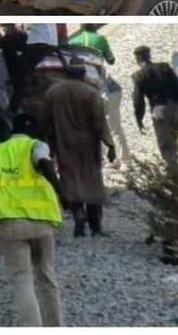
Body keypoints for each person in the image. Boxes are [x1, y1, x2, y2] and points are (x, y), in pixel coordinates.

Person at [0, 114, 63, 327]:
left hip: (10, 224)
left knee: (22, 280)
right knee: (47, 276)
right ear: (33, 131)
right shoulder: (37, 145)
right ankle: (55, 326)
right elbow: (44, 163)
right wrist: (61, 190)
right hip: (42, 222)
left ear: (12, 130)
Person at [43, 62, 116, 237]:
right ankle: (95, 226)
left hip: (64, 142)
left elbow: (46, 120)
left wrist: (49, 147)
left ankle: (78, 217)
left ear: (66, 74)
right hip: (88, 144)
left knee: (71, 179)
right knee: (91, 180)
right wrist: (110, 144)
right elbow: (99, 122)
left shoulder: (53, 92)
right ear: (83, 74)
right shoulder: (91, 93)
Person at [69, 25, 129, 164]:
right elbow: (111, 60)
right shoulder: (100, 38)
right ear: (95, 27)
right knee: (114, 125)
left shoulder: (72, 42)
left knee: (94, 124)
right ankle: (123, 160)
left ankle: (103, 159)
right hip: (106, 87)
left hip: (90, 88)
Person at [132, 45, 178, 168]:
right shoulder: (165, 67)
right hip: (176, 108)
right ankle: (177, 171)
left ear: (137, 59)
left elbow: (138, 101)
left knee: (166, 145)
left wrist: (139, 119)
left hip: (160, 112)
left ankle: (175, 174)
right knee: (174, 140)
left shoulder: (138, 76)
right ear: (149, 55)